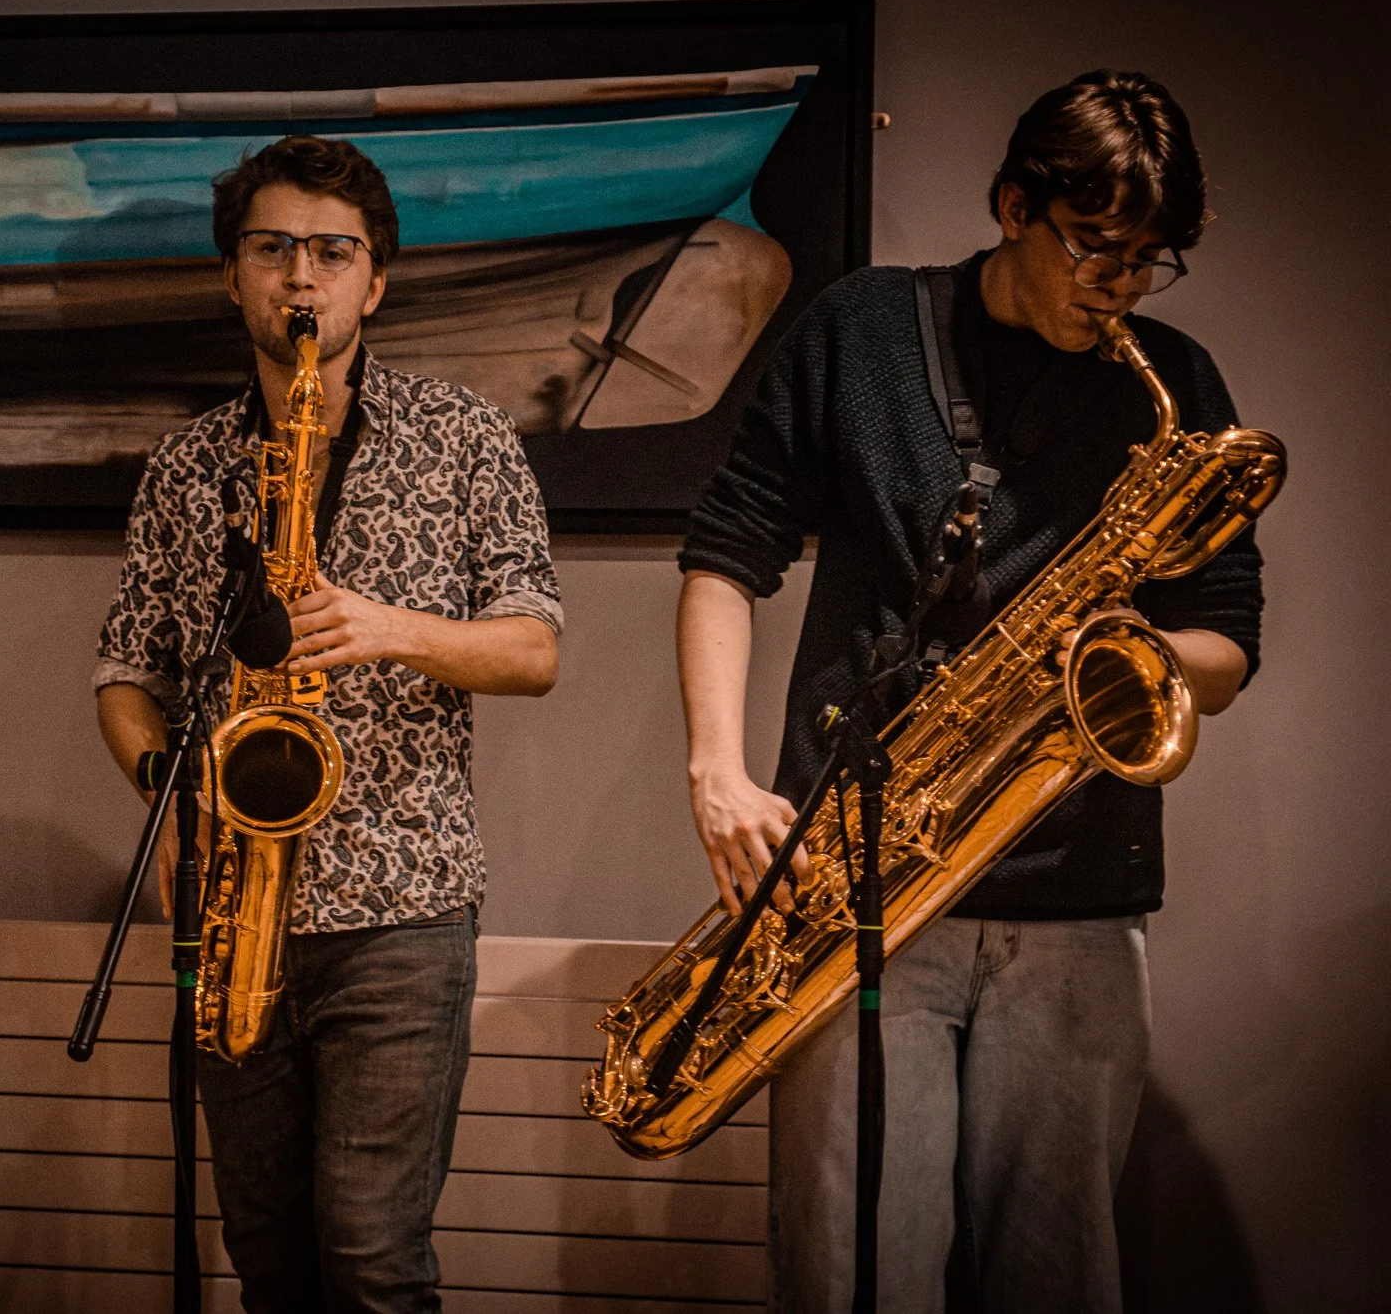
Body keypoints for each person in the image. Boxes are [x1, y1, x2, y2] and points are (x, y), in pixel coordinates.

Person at [675, 71, 1264, 1312]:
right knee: (851, 1272)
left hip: (1078, 898)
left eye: (1146, 263)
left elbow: (1222, 640)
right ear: (1011, 204)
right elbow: (726, 554)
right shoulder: (861, 328)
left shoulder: (1174, 387)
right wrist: (715, 772)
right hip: (857, 886)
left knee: (1055, 1280)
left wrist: (1124, 658)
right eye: (1092, 249)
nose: (1114, 291)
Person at [95, 134, 562, 1312]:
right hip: (227, 906)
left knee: (371, 1266)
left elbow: (533, 649)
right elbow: (121, 674)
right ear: (231, 274)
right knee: (269, 1269)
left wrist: (385, 626)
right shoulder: (184, 464)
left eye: (330, 252)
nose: (299, 279)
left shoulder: (463, 439)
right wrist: (173, 786)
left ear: (374, 280)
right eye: (271, 250)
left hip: (399, 914)